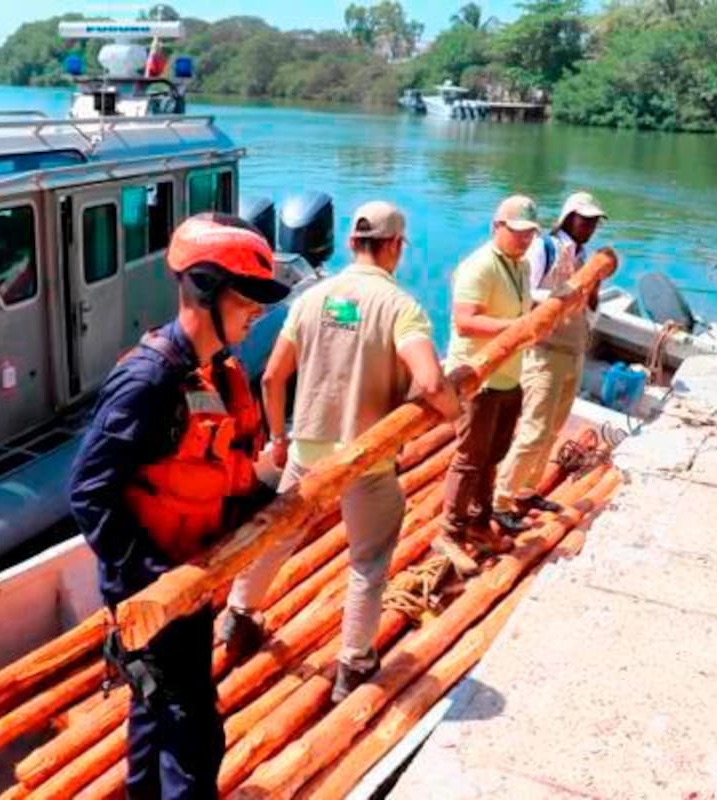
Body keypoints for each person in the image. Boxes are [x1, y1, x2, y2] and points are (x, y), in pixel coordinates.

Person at [69, 213, 290, 800]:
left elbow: (220, 470)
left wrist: (267, 502)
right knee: (192, 737)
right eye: (250, 298)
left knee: (153, 707)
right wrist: (153, 584)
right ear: (207, 289)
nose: (258, 312)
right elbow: (89, 493)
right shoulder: (148, 382)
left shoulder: (218, 372)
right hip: (156, 589)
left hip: (191, 575)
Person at [221, 201, 458, 702]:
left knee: (278, 538)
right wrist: (454, 409)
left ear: (352, 243)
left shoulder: (313, 299)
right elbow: (431, 380)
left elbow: (271, 375)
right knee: (368, 561)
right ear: (395, 247)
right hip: (367, 459)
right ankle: (353, 665)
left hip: (308, 449)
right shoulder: (402, 308)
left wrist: (278, 438)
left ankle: (238, 618)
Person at [493, 192, 608, 524]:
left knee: (554, 429)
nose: (589, 227)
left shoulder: (585, 257)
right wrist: (568, 293)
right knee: (534, 429)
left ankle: (527, 491)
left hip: (573, 351)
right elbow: (526, 294)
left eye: (594, 222)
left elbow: (591, 312)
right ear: (569, 217)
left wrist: (592, 287)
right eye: (584, 220)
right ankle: (501, 500)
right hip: (545, 352)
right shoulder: (545, 248)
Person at [441, 194, 539, 556]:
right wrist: (517, 327)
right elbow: (465, 322)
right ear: (497, 226)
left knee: (493, 455)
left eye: (529, 233)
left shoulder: (522, 266)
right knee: (469, 459)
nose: (525, 239)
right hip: (477, 381)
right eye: (517, 232)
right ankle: (450, 532)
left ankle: (480, 524)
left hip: (509, 376)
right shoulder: (479, 266)